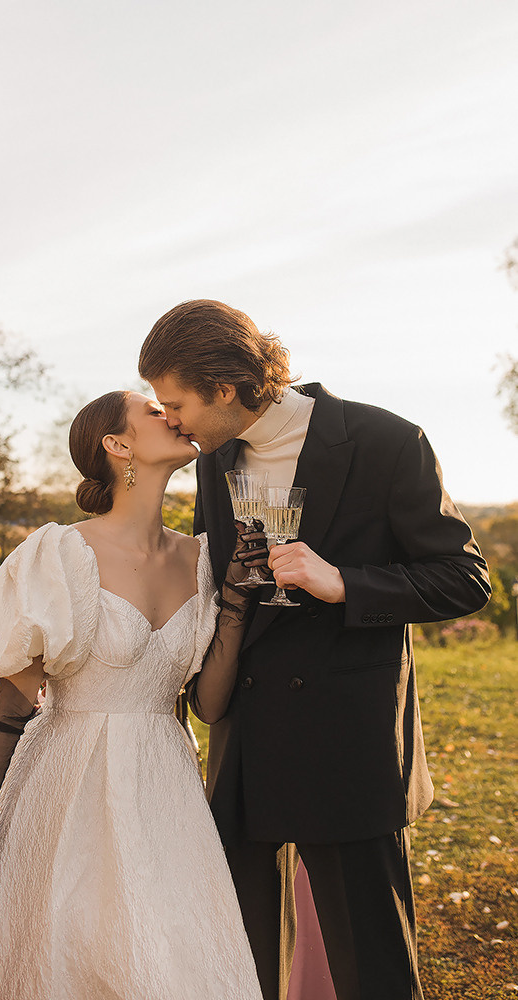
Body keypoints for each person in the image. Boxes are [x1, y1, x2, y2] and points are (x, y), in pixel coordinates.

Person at [138, 299, 492, 1000]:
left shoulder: (388, 442)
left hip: (348, 743)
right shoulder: (215, 459)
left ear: (224, 388)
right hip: (244, 742)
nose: (167, 418)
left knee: (373, 969)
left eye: (173, 401)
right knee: (238, 960)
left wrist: (343, 584)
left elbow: (464, 579)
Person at [0, 389, 269, 1000]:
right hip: (66, 795)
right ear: (118, 445)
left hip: (167, 797)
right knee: (71, 965)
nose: (173, 415)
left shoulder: (202, 557)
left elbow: (208, 706)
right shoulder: (59, 554)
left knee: (181, 968)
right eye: (153, 411)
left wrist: (236, 604)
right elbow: (4, 713)